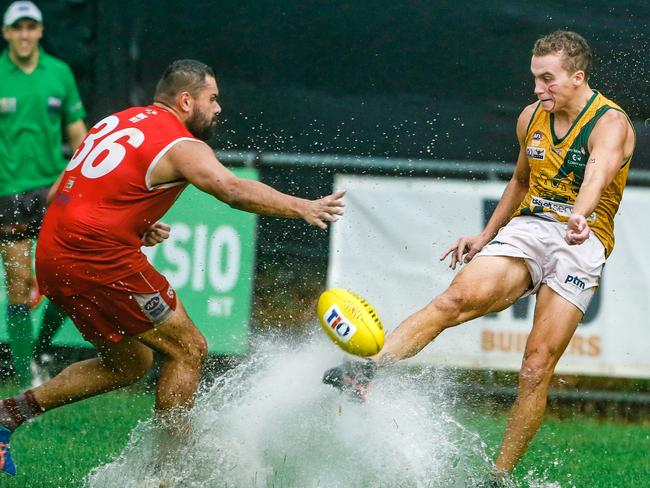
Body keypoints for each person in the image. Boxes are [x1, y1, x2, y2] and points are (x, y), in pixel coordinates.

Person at [0, 58, 345, 476]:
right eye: (212, 99)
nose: (218, 109)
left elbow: (68, 190)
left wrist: (134, 223)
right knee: (189, 348)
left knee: (131, 363)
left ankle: (9, 414)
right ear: (186, 100)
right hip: (96, 256)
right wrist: (302, 205)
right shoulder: (182, 143)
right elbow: (232, 189)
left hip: (55, 253)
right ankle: (168, 474)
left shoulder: (117, 120)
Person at [323, 30, 635, 484]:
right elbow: (520, 183)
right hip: (530, 228)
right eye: (534, 78)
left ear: (577, 77)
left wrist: (580, 217)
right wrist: (487, 236)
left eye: (547, 79)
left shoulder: (610, 123)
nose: (537, 89)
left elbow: (597, 175)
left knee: (534, 367)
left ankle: (498, 477)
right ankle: (366, 370)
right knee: (454, 300)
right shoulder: (532, 117)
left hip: (580, 240)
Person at [0, 1, 87, 388]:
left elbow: (78, 134)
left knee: (68, 278)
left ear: (39, 31)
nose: (23, 34)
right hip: (7, 192)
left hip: (53, 192)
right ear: (6, 33)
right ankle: (25, 379)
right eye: (16, 28)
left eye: (30, 27)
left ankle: (36, 351)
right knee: (19, 282)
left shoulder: (60, 73)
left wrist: (82, 178)